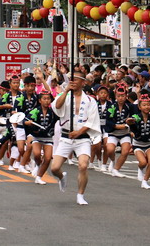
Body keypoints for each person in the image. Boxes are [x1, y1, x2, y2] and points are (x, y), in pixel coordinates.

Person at [50, 70, 101, 206]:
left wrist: (78, 133)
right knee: (54, 168)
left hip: (82, 138)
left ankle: (80, 195)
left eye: (76, 79)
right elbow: (56, 107)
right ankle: (62, 177)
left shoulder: (90, 100)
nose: (73, 81)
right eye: (71, 79)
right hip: (66, 137)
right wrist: (66, 90)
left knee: (83, 165)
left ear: (83, 82)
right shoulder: (65, 96)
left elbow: (92, 121)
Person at [25, 89, 59, 185]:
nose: (46, 101)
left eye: (48, 99)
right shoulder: (35, 110)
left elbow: (60, 116)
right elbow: (26, 120)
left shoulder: (53, 112)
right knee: (36, 154)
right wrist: (28, 122)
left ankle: (39, 177)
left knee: (48, 158)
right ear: (40, 100)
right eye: (44, 99)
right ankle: (37, 164)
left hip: (48, 137)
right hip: (37, 137)